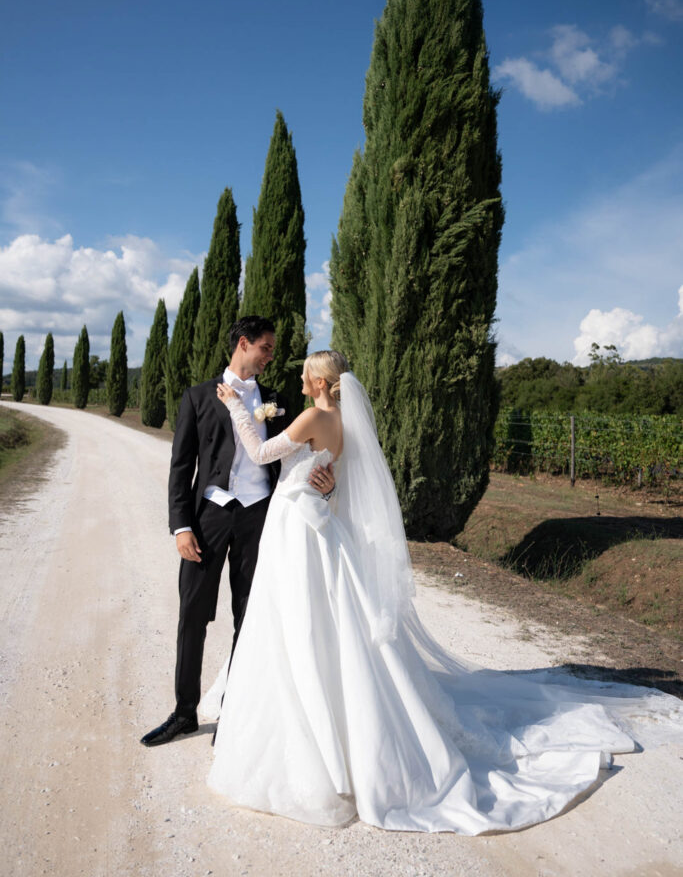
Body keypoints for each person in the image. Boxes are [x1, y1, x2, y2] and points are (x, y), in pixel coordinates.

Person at [201, 351, 683, 833]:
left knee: (300, 622)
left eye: (305, 372)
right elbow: (327, 480)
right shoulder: (342, 423)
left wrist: (236, 409)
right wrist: (323, 489)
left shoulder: (313, 414)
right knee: (320, 622)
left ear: (320, 381)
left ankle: (316, 736)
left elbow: (263, 455)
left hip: (297, 529)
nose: (299, 378)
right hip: (314, 523)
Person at [140, 317, 334, 748]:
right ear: (244, 344)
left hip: (260, 519)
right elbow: (180, 468)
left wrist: (327, 479)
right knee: (193, 613)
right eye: (265, 348)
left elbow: (309, 452)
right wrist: (181, 526)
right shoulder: (197, 398)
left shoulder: (277, 400)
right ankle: (184, 712)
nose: (270, 356)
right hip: (208, 517)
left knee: (250, 615)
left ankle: (237, 711)